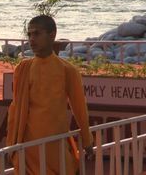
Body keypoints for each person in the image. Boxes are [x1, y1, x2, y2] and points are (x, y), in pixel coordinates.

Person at [7, 15, 93, 174]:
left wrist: (87, 140)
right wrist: (11, 144)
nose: (31, 39)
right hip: (28, 148)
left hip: (55, 145)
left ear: (52, 35)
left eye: (37, 34)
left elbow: (79, 107)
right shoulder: (23, 68)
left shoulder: (67, 70)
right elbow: (16, 109)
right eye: (29, 34)